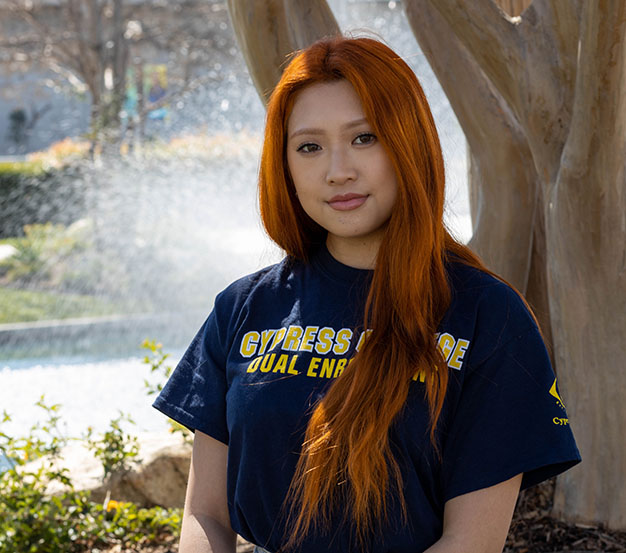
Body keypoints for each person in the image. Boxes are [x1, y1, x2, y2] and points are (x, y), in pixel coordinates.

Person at [153, 36, 581, 553]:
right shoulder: (244, 307)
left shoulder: (486, 315)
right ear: (283, 164)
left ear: (409, 142)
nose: (338, 170)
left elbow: (470, 542)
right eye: (309, 146)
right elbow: (206, 515)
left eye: (365, 138)